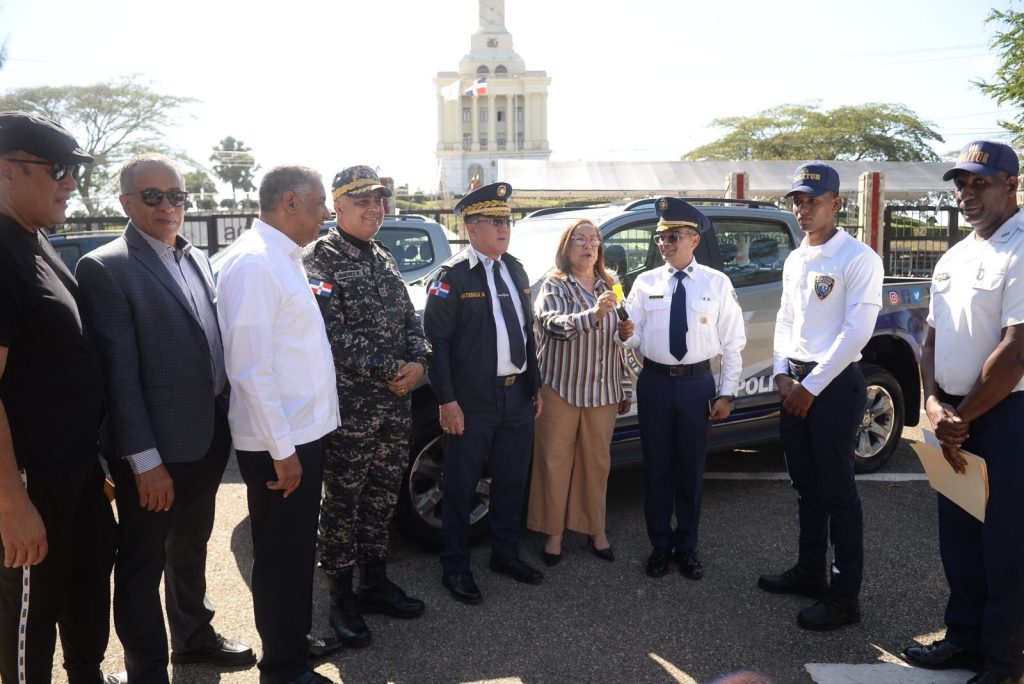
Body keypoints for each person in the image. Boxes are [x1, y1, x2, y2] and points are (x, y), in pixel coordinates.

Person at [75, 154, 254, 681]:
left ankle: (193, 639)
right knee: (142, 564)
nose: (168, 206)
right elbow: (120, 377)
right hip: (153, 451)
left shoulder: (194, 256)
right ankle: (147, 670)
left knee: (190, 547)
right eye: (153, 196)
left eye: (177, 196)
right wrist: (145, 461)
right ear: (126, 202)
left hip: (205, 436)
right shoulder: (106, 267)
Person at [0, 111, 118, 683]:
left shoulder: (33, 237)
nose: (71, 182)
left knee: (87, 585)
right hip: (30, 480)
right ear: (7, 170)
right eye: (59, 169)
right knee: (31, 615)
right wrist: (11, 506)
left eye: (76, 170)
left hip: (75, 469)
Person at [901, 141, 1024, 684]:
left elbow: (1015, 351)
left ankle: (1003, 662)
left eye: (981, 183)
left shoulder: (1020, 248)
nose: (967, 193)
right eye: (961, 184)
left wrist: (963, 417)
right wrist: (933, 404)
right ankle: (965, 637)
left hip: (1004, 417)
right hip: (953, 417)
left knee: (1006, 546)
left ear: (1011, 185)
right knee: (960, 538)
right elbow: (931, 340)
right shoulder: (954, 256)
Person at [216, 166, 340, 684]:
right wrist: (282, 451)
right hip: (280, 442)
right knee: (281, 556)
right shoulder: (254, 263)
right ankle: (283, 668)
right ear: (290, 201)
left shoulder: (281, 257)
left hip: (299, 434)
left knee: (295, 551)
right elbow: (250, 369)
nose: (327, 214)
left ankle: (292, 639)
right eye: (320, 204)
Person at [303, 166, 429, 647]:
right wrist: (392, 368)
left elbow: (410, 318)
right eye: (362, 201)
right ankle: (341, 596)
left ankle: (374, 583)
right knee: (342, 502)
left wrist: (419, 360)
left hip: (395, 404)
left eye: (379, 200)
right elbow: (329, 333)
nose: (374, 209)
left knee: (383, 495)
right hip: (351, 408)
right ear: (337, 206)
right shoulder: (320, 258)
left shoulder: (383, 255)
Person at [758, 162, 883, 631]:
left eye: (813, 200)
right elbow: (786, 319)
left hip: (833, 386)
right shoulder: (796, 258)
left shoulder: (858, 257)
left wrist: (810, 387)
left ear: (837, 203)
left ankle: (845, 597)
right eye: (798, 200)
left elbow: (856, 332)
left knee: (837, 492)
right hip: (795, 383)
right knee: (805, 486)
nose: (803, 208)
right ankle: (810, 571)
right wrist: (780, 374)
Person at [423, 181, 544, 604]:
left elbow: (526, 332)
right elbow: (436, 344)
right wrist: (447, 401)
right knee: (461, 485)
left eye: (506, 220)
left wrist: (534, 384)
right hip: (472, 401)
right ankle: (455, 567)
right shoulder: (452, 277)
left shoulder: (516, 269)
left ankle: (505, 555)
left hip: (517, 395)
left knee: (511, 481)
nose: (503, 228)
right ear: (470, 227)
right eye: (494, 221)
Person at [618, 197, 745, 582]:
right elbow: (634, 339)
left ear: (693, 239)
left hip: (696, 385)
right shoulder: (645, 283)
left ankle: (687, 546)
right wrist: (624, 334)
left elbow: (733, 343)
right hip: (655, 383)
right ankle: (660, 545)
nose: (665, 244)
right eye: (660, 238)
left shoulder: (717, 283)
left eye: (673, 236)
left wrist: (726, 393)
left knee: (690, 469)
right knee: (656, 468)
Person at [526, 218, 631, 565]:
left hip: (603, 390)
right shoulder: (554, 284)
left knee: (596, 464)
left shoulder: (612, 283)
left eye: (594, 240)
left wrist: (625, 382)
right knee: (553, 461)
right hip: (561, 388)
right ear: (566, 247)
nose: (589, 246)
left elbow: (620, 336)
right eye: (580, 240)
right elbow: (553, 326)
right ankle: (553, 534)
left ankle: (594, 530)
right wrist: (594, 314)